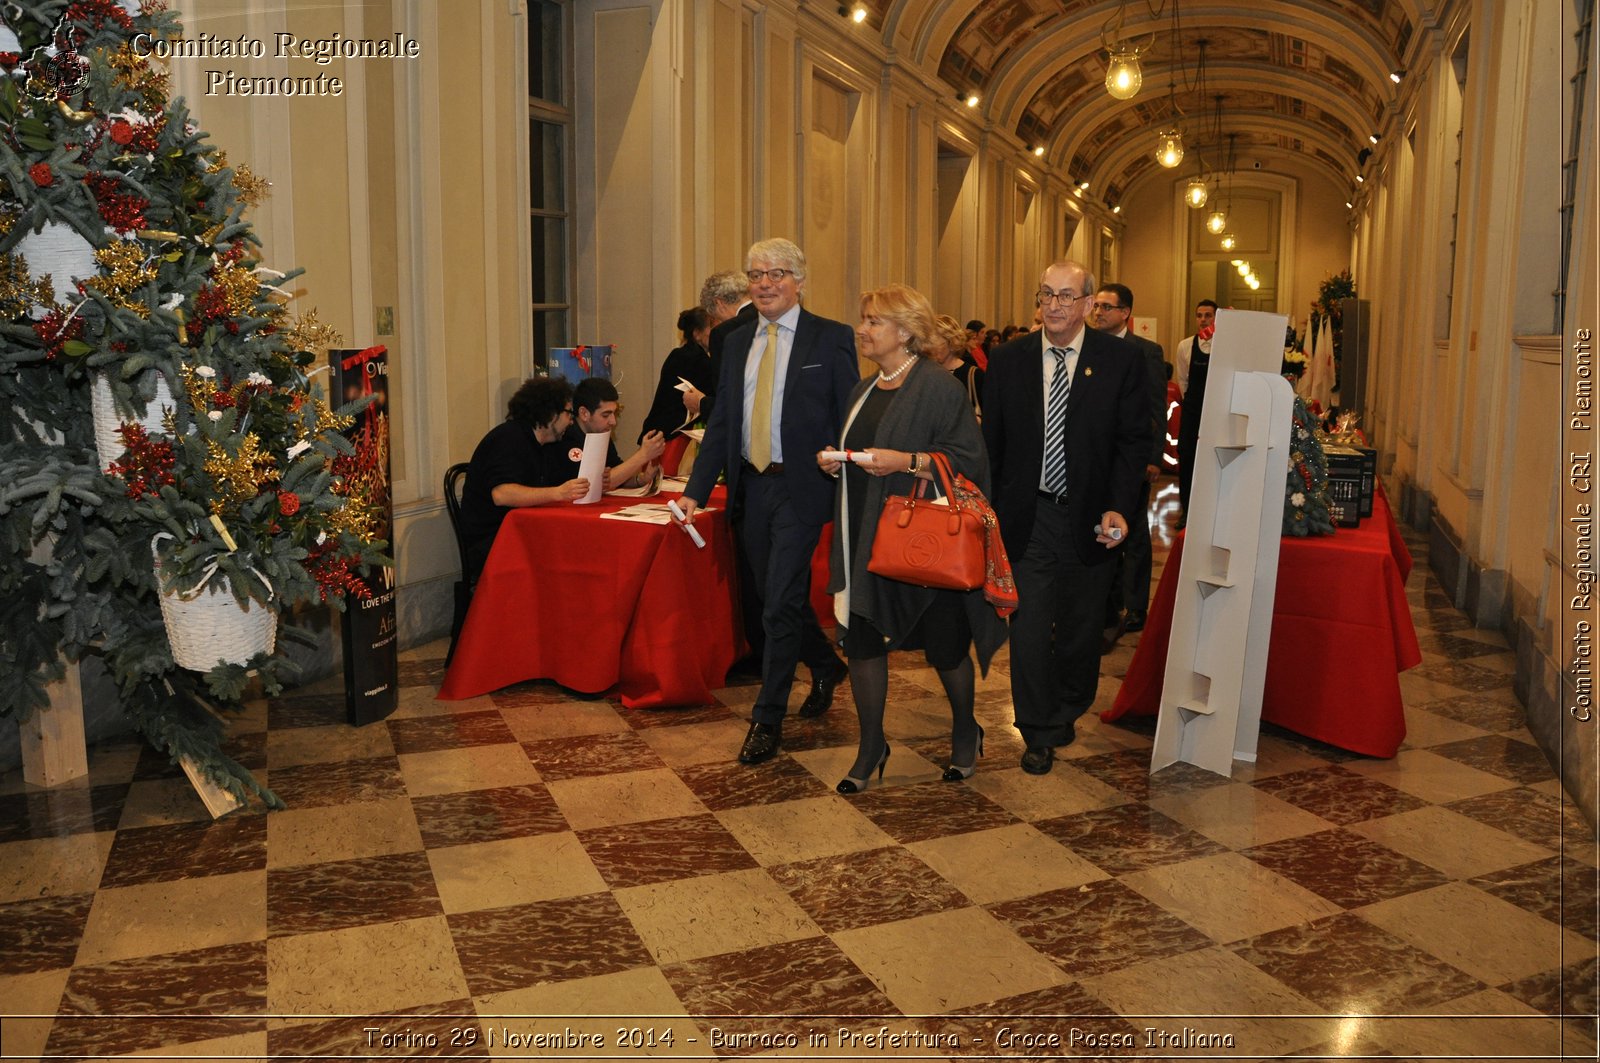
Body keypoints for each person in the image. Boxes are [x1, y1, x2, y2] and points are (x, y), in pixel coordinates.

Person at [818, 285, 1007, 792]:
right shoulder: (862, 391)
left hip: (924, 545)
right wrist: (838, 463)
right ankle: (870, 746)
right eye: (864, 319)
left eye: (874, 321)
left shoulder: (937, 387)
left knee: (945, 648)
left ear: (904, 332)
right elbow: (862, 456)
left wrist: (909, 463)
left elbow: (970, 461)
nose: (862, 329)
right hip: (867, 541)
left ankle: (966, 730)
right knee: (862, 644)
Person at [676, 238, 857, 765]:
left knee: (778, 602)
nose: (765, 283)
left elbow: (848, 413)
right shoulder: (734, 341)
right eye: (757, 275)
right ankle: (824, 666)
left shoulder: (831, 338)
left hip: (802, 488)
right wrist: (693, 492)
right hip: (750, 488)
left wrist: (847, 464)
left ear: (799, 280)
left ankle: (767, 716)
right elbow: (724, 422)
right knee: (774, 596)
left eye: (776, 273)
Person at [981, 260, 1151, 775]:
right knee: (1029, 629)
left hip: (1091, 519)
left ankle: (1069, 705)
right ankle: (1037, 729)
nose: (1054, 305)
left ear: (1086, 305)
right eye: (1046, 295)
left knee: (1080, 632)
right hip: (1027, 517)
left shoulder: (1120, 361)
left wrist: (1120, 505)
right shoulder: (1008, 360)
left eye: (1065, 296)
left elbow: (1132, 442)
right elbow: (994, 443)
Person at [1088, 282, 1167, 638]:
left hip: (1133, 457)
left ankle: (1136, 607)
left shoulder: (1145, 352)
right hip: (1098, 458)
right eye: (1097, 306)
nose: (1099, 312)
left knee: (1134, 534)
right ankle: (1107, 602)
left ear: (1125, 314)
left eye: (1107, 307)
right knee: (1104, 531)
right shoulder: (1089, 348)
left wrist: (1153, 457)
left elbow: (1154, 408)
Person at [458, 376, 589, 580]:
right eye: (569, 413)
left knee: (580, 547)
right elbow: (502, 494)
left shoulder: (548, 446)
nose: (571, 421)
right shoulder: (508, 439)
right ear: (551, 413)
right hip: (494, 540)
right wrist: (559, 492)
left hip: (528, 533)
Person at [563, 377, 665, 490]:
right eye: (605, 415)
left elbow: (617, 474)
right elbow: (593, 485)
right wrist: (642, 455)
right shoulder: (566, 436)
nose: (613, 422)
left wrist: (641, 479)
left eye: (614, 414)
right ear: (584, 413)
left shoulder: (600, 432)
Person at [639, 306, 714, 442]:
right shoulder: (698, 359)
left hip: (658, 430)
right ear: (697, 333)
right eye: (711, 327)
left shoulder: (677, 354)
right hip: (675, 435)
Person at [1174, 299, 1218, 517]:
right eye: (1199, 315)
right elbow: (1182, 381)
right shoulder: (1185, 345)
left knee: (1215, 459)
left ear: (1216, 318)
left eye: (1208, 315)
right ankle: (1187, 511)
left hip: (1217, 411)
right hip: (1192, 410)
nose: (1203, 320)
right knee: (1188, 458)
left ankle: (1212, 511)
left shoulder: (1225, 344)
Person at [693, 270, 755, 425]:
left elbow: (726, 398)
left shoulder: (724, 333)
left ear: (718, 303)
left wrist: (701, 402)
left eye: (716, 317)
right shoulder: (772, 316)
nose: (719, 322)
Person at [928, 313, 983, 420]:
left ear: (951, 342)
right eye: (928, 343)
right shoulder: (926, 375)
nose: (931, 348)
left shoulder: (974, 376)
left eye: (936, 342)